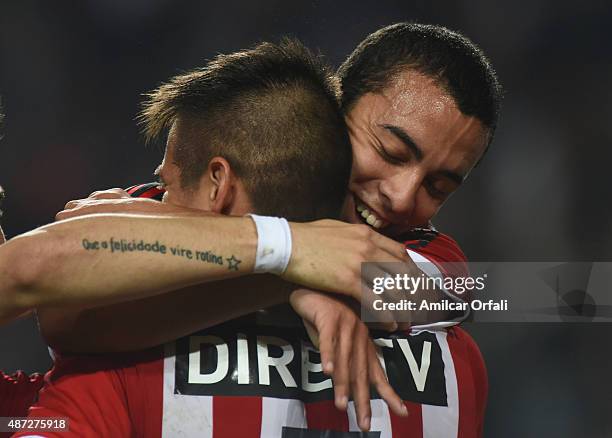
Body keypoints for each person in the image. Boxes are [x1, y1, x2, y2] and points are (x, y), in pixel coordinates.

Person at [23, 21, 499, 436]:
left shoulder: (431, 255)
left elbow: (500, 292)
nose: (402, 195)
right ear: (330, 113)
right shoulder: (167, 199)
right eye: (391, 152)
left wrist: (290, 275)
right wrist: (297, 268)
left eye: (437, 187)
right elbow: (59, 315)